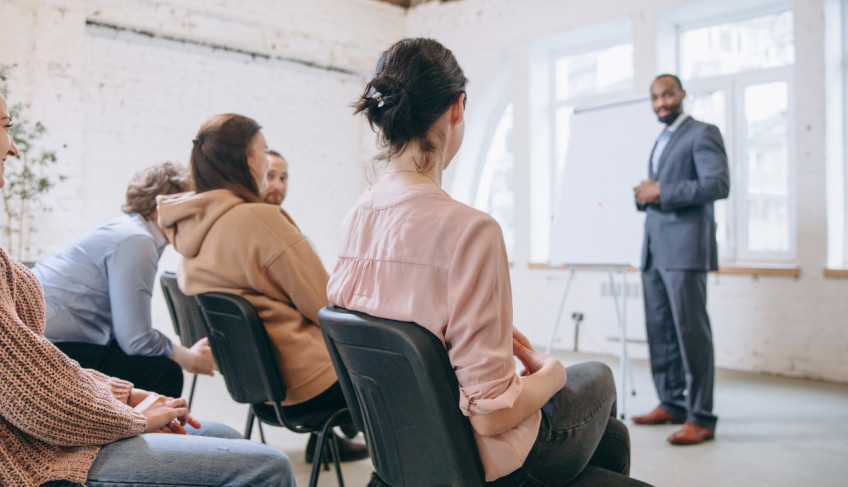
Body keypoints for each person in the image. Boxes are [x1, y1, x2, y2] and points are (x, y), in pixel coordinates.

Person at [327, 38, 651, 487]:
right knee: (595, 375)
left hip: (403, 452)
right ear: (458, 108)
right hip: (483, 463)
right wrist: (552, 375)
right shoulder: (471, 231)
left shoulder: (353, 220)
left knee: (613, 437)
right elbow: (491, 417)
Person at [0, 91, 295, 487]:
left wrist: (127, 396)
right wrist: (136, 414)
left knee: (221, 434)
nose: (14, 146)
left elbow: (37, 371)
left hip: (61, 372)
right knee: (263, 461)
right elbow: (128, 340)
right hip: (35, 443)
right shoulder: (135, 241)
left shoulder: (134, 237)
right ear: (164, 204)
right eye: (6, 127)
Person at [157, 113, 368, 464]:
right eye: (263, 151)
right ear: (249, 159)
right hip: (311, 385)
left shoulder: (193, 231)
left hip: (260, 390)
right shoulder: (258, 219)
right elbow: (326, 304)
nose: (265, 160)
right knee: (412, 376)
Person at [33, 162, 215, 398]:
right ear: (162, 207)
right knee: (164, 372)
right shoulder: (138, 241)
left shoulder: (129, 231)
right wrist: (187, 358)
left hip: (53, 339)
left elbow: (130, 334)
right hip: (49, 348)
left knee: (151, 360)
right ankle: (150, 433)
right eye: (189, 206)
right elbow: (135, 339)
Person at [631, 73, 729, 445]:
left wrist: (662, 190)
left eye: (668, 94)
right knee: (661, 331)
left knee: (692, 334)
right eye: (655, 97)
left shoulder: (703, 132)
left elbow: (718, 184)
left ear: (683, 94)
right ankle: (672, 402)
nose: (661, 103)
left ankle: (702, 417)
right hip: (656, 250)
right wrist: (646, 194)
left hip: (686, 250)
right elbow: (664, 189)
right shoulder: (663, 138)